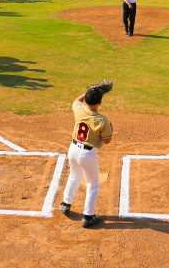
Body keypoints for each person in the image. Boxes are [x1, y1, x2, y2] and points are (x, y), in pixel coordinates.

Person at [58, 82, 113, 229]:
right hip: (87, 155)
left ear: (86, 100)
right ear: (100, 103)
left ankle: (65, 204)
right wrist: (110, 129)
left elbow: (77, 101)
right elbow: (107, 141)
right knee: (93, 184)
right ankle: (88, 217)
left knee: (74, 176)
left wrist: (89, 90)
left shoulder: (79, 109)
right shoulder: (102, 120)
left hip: (73, 149)